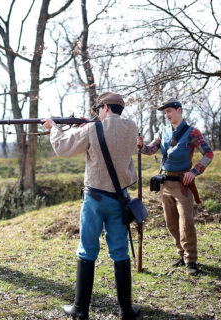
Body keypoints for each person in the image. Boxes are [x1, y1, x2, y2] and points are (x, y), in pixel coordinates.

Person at [43, 92, 140, 320]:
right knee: (120, 251)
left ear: (106, 107)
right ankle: (126, 310)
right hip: (120, 198)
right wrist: (90, 125)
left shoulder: (92, 129)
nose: (97, 112)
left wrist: (53, 127)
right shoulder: (131, 127)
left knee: (87, 249)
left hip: (95, 199)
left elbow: (63, 148)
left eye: (99, 109)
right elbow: (110, 132)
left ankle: (80, 309)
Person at [137, 98, 213, 276]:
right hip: (165, 184)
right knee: (171, 223)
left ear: (179, 110)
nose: (167, 116)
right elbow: (151, 150)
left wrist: (194, 172)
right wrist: (141, 146)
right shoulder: (162, 131)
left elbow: (208, 154)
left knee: (186, 223)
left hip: (183, 185)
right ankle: (181, 254)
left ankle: (191, 261)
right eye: (165, 113)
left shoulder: (193, 132)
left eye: (170, 111)